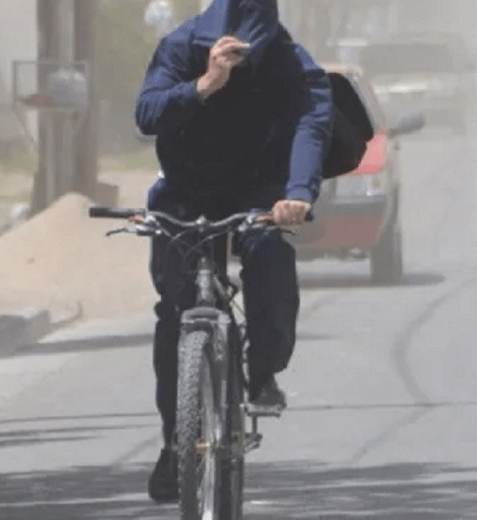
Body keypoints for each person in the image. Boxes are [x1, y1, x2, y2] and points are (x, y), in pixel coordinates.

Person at [134, 0, 333, 503]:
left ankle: (262, 369)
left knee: (269, 257)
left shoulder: (288, 60)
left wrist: (299, 193)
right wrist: (203, 86)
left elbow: (313, 121)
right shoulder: (180, 48)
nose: (237, 57)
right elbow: (146, 113)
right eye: (227, 49)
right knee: (173, 310)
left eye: (248, 52)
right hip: (185, 188)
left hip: (257, 191)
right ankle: (174, 443)